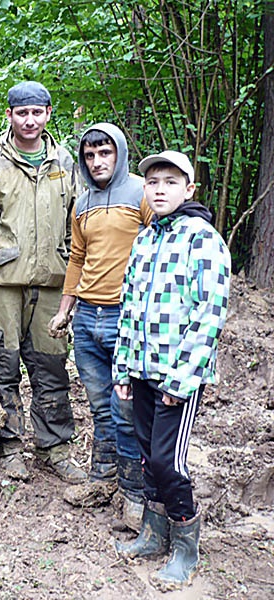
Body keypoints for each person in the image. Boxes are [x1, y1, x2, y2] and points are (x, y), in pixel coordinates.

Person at [114, 151, 231, 591]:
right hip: (142, 368)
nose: (160, 189)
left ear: (189, 189)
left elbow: (210, 314)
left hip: (178, 375)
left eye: (170, 181)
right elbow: (129, 305)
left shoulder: (203, 239)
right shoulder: (145, 239)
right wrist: (123, 367)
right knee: (147, 453)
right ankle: (153, 532)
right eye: (152, 182)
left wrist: (182, 381)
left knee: (167, 459)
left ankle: (185, 543)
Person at [0, 81, 85, 483]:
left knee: (51, 367)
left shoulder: (65, 163)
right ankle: (9, 446)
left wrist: (76, 280)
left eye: (37, 112)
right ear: (9, 116)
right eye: (21, 113)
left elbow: (77, 225)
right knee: (3, 366)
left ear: (48, 113)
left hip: (52, 282)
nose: (29, 120)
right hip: (2, 283)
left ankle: (55, 447)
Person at [48, 123, 153, 529]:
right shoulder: (82, 203)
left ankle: (133, 492)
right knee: (99, 404)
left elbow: (159, 245)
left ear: (120, 153)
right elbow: (77, 258)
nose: (97, 162)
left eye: (104, 153)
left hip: (127, 316)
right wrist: (65, 309)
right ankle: (101, 476)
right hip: (88, 315)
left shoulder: (142, 193)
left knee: (126, 406)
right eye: (90, 156)